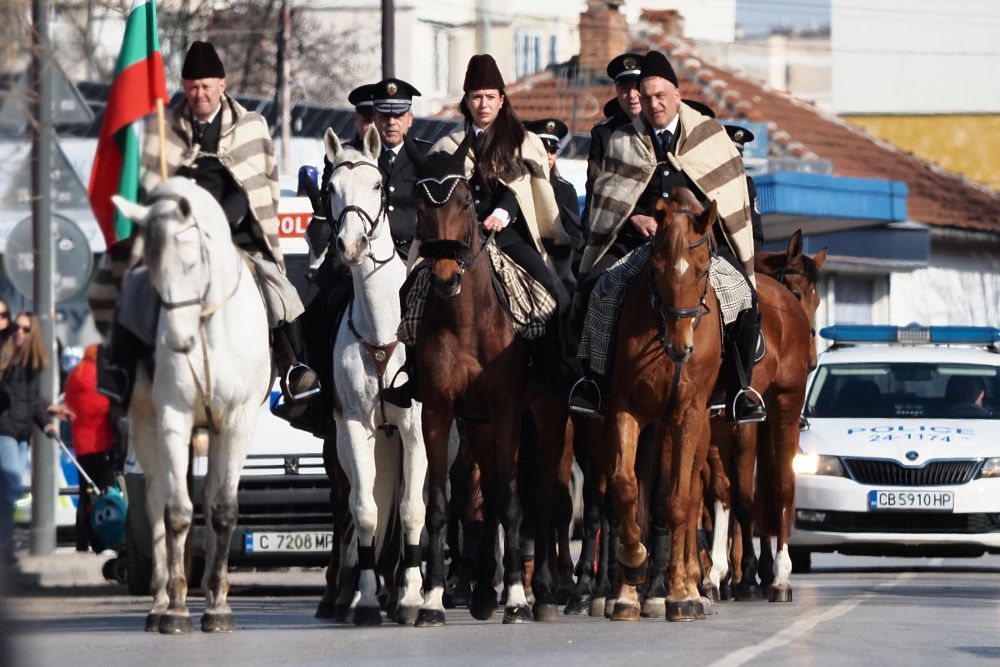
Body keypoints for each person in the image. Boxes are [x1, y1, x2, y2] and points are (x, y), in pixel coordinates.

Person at [97, 41, 319, 409]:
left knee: (280, 292)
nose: (199, 94)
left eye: (206, 86)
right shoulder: (163, 126)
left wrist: (220, 223)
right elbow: (152, 188)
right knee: (128, 280)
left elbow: (256, 186)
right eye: (192, 87)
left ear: (222, 84)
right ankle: (120, 366)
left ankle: (294, 367)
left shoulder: (250, 126)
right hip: (176, 237)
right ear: (184, 88)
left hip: (235, 234)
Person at [580, 50, 765, 423]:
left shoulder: (709, 136)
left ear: (677, 95)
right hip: (641, 249)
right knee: (596, 292)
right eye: (646, 97)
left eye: (660, 96)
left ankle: (738, 389)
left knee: (745, 296)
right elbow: (606, 200)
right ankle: (594, 384)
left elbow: (726, 200)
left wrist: (699, 227)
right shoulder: (620, 140)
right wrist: (633, 218)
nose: (652, 104)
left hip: (698, 249)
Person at [382, 53, 572, 406]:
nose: (482, 104)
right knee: (412, 290)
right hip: (455, 240)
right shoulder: (447, 146)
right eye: (475, 97)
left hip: (509, 234)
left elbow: (524, 187)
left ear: (502, 99)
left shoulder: (524, 141)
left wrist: (502, 212)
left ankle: (551, 369)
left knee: (553, 292)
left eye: (489, 97)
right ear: (466, 102)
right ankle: (413, 375)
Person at [295, 78, 430, 435]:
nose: (384, 121)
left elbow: (428, 210)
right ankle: (317, 395)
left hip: (407, 256)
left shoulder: (424, 156)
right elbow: (328, 210)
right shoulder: (345, 158)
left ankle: (441, 391)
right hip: (348, 259)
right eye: (375, 115)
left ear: (408, 118)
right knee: (308, 310)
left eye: (392, 114)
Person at [0, 312, 62, 566]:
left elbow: (34, 402)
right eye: (16, 327)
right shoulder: (4, 360)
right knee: (12, 484)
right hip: (4, 430)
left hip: (22, 433)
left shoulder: (32, 368)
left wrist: (46, 423)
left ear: (33, 334)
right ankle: (5, 545)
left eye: (25, 330)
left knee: (8, 492)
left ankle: (5, 545)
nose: (19, 333)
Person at [580, 53, 645, 236]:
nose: (631, 95)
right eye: (625, 89)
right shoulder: (604, 133)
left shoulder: (662, 129)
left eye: (637, 87)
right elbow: (596, 187)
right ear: (617, 92)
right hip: (618, 228)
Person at [64, 344, 116, 553]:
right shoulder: (98, 376)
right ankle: (104, 541)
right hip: (101, 443)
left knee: (85, 495)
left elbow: (69, 404)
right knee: (106, 494)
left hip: (81, 446)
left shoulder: (74, 376)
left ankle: (82, 543)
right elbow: (107, 407)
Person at [524, 117, 584, 285]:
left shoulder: (566, 190)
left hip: (559, 263)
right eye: (543, 149)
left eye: (552, 150)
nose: (548, 156)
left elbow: (574, 235)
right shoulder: (519, 185)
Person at [725, 124, 765, 251]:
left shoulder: (746, 184)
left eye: (738, 157)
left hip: (737, 255)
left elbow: (756, 234)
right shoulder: (703, 179)